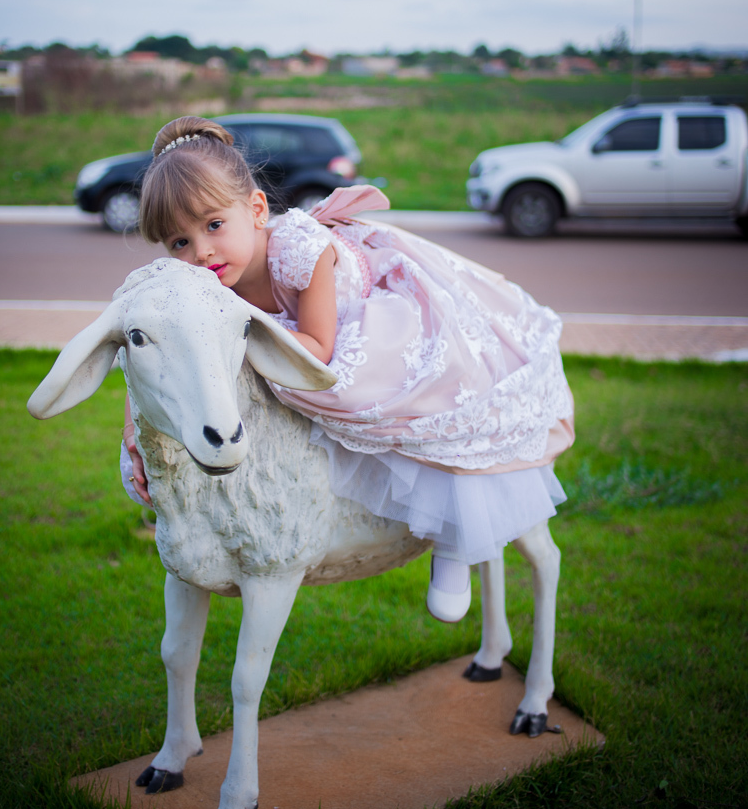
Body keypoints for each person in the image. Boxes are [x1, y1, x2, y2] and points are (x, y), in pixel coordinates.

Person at [121, 116, 574, 623]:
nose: (201, 252)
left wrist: (236, 326)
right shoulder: (202, 280)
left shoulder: (298, 250)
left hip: (372, 325)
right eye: (179, 243)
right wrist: (133, 428)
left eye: (213, 226)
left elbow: (317, 347)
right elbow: (162, 351)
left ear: (255, 209)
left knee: (425, 401)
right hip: (298, 337)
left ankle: (455, 537)